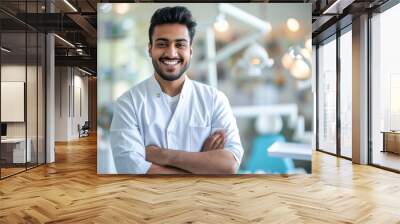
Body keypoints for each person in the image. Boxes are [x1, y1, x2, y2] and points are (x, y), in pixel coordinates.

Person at [110, 6, 243, 174]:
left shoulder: (215, 99)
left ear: (190, 50)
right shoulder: (128, 103)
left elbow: (229, 164)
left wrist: (164, 156)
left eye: (180, 44)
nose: (171, 53)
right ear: (150, 49)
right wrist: (202, 163)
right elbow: (130, 169)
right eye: (162, 44)